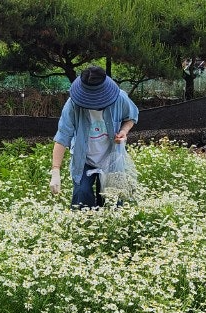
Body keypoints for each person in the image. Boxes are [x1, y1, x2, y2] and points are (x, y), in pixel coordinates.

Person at [49, 66, 139, 209]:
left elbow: (132, 117)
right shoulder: (73, 104)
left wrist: (124, 131)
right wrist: (55, 171)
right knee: (81, 196)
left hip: (112, 157)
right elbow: (62, 137)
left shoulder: (120, 98)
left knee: (112, 200)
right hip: (84, 159)